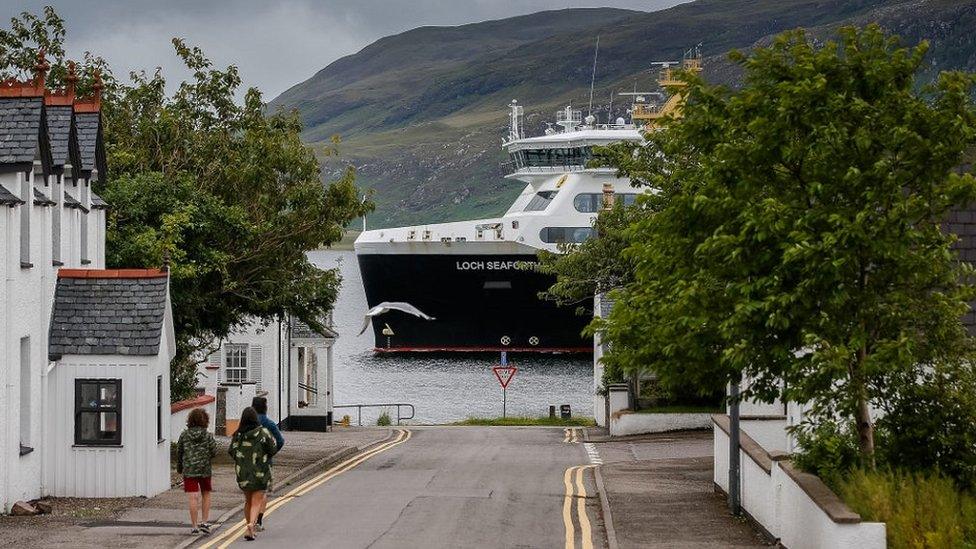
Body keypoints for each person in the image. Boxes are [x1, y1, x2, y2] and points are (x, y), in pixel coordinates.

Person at [229, 407, 278, 541]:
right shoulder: (264, 433)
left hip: (243, 473)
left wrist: (241, 460)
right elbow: (273, 449)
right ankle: (251, 525)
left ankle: (248, 526)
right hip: (261, 472)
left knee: (248, 501)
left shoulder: (237, 435)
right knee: (256, 502)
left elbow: (231, 451)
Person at [176, 407, 218, 535]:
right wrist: (206, 458)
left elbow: (179, 452)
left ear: (190, 420)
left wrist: (180, 467)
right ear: (205, 420)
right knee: (206, 494)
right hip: (205, 469)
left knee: (193, 497)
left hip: (189, 470)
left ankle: (194, 526)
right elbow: (214, 451)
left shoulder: (184, 435)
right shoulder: (207, 435)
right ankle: (204, 522)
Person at [251, 396, 284, 531]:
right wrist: (271, 452)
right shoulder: (269, 424)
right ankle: (258, 521)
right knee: (263, 491)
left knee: (251, 492)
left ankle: (250, 521)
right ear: (265, 408)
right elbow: (281, 441)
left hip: (249, 462)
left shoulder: (248, 423)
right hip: (265, 462)